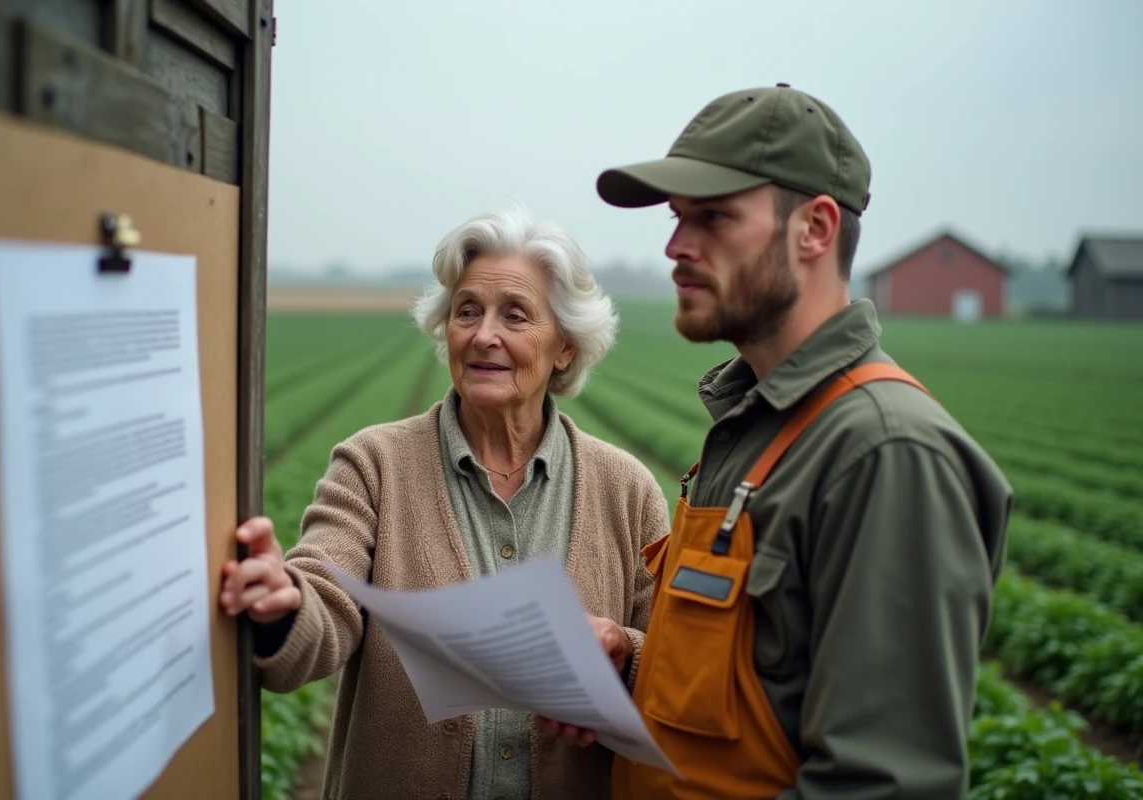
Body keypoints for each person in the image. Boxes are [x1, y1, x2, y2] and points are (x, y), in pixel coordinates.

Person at [536, 84, 1014, 798]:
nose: (675, 246)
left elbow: (880, 786)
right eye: (676, 219)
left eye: (714, 217)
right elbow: (763, 685)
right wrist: (634, 667)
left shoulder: (882, 454)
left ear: (815, 229)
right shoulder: (756, 424)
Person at [218, 206, 669, 800]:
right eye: (467, 311)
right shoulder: (372, 466)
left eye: (515, 315)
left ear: (564, 347)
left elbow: (671, 666)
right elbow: (324, 606)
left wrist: (622, 655)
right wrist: (284, 606)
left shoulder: (627, 490)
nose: (484, 335)